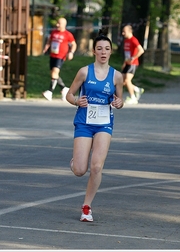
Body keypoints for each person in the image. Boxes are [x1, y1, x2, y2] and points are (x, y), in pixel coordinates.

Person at [65, 29, 123, 222]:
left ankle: (87, 207)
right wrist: (76, 102)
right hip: (84, 121)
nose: (103, 52)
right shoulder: (84, 72)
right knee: (81, 170)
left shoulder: (117, 76)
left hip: (104, 124)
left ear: (111, 52)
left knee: (96, 167)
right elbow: (69, 94)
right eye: (99, 48)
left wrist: (119, 103)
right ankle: (75, 162)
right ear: (94, 51)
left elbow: (120, 100)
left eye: (107, 49)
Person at [42, 17, 77, 101]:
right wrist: (46, 48)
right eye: (57, 23)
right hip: (53, 55)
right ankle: (64, 89)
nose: (57, 25)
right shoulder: (53, 32)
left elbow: (74, 44)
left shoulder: (67, 34)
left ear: (64, 25)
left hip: (61, 56)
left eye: (59, 23)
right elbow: (49, 41)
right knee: (53, 74)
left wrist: (71, 52)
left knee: (55, 73)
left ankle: (50, 92)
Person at [121, 24, 145, 104]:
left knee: (127, 80)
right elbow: (126, 53)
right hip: (127, 63)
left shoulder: (133, 40)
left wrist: (133, 58)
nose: (123, 33)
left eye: (124, 31)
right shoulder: (126, 41)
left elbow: (141, 50)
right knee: (122, 82)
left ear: (129, 31)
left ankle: (133, 98)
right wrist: (124, 63)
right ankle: (137, 90)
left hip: (133, 64)